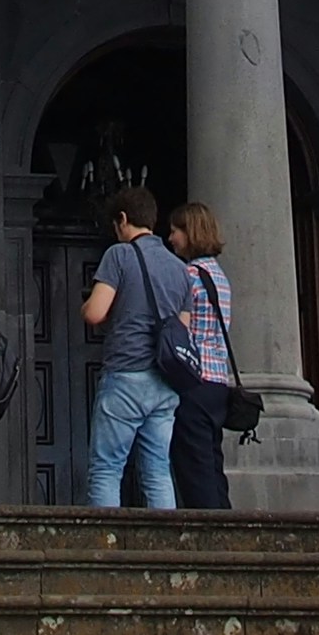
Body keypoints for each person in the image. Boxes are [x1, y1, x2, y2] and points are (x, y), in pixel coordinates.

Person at [80, 183, 193, 508]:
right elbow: (181, 330)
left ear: (123, 219)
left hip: (126, 375)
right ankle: (164, 550)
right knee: (157, 470)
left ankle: (106, 547)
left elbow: (96, 313)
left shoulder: (119, 255)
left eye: (116, 225)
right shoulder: (179, 268)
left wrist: (85, 306)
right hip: (165, 380)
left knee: (106, 469)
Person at [163, 201, 243, 511]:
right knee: (211, 465)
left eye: (175, 231)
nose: (170, 238)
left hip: (194, 381)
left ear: (190, 231)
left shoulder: (188, 276)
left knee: (194, 471)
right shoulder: (220, 277)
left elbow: (178, 327)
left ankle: (209, 537)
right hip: (217, 383)